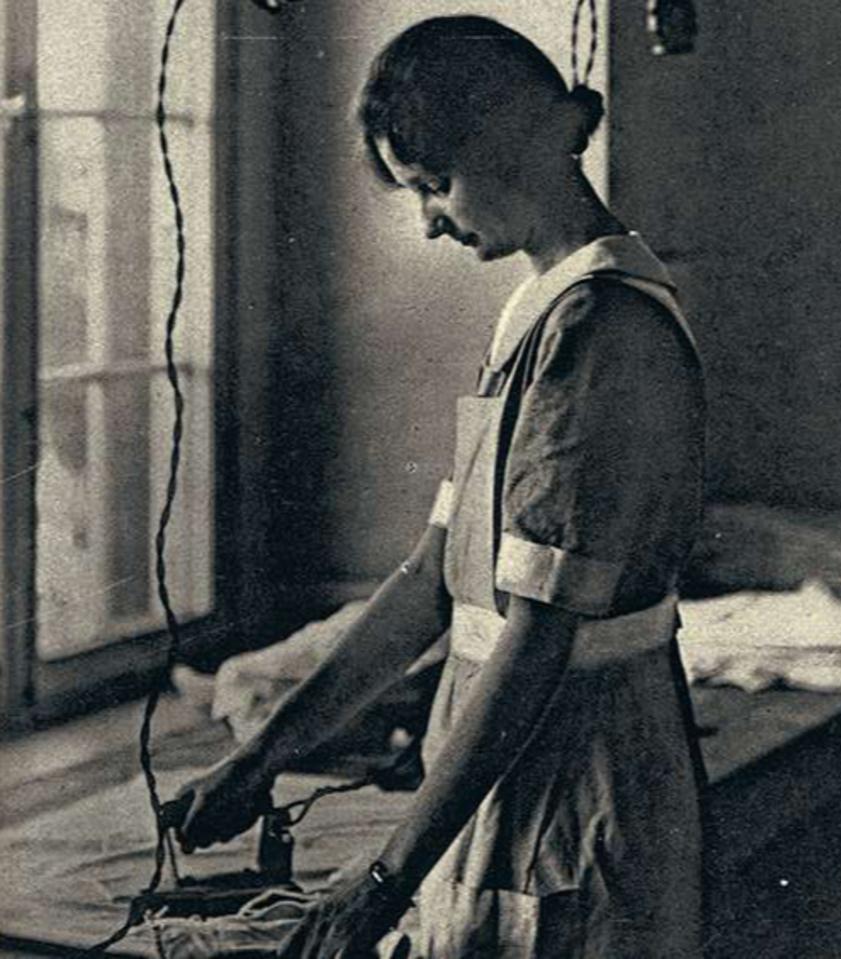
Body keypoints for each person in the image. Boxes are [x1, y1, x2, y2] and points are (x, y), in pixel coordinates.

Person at [174, 16, 707, 958]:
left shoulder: (603, 329)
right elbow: (431, 579)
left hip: (580, 772)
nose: (427, 219)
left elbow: (539, 639)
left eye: (435, 185)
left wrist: (382, 875)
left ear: (505, 145)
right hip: (502, 764)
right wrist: (265, 754)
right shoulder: (536, 313)